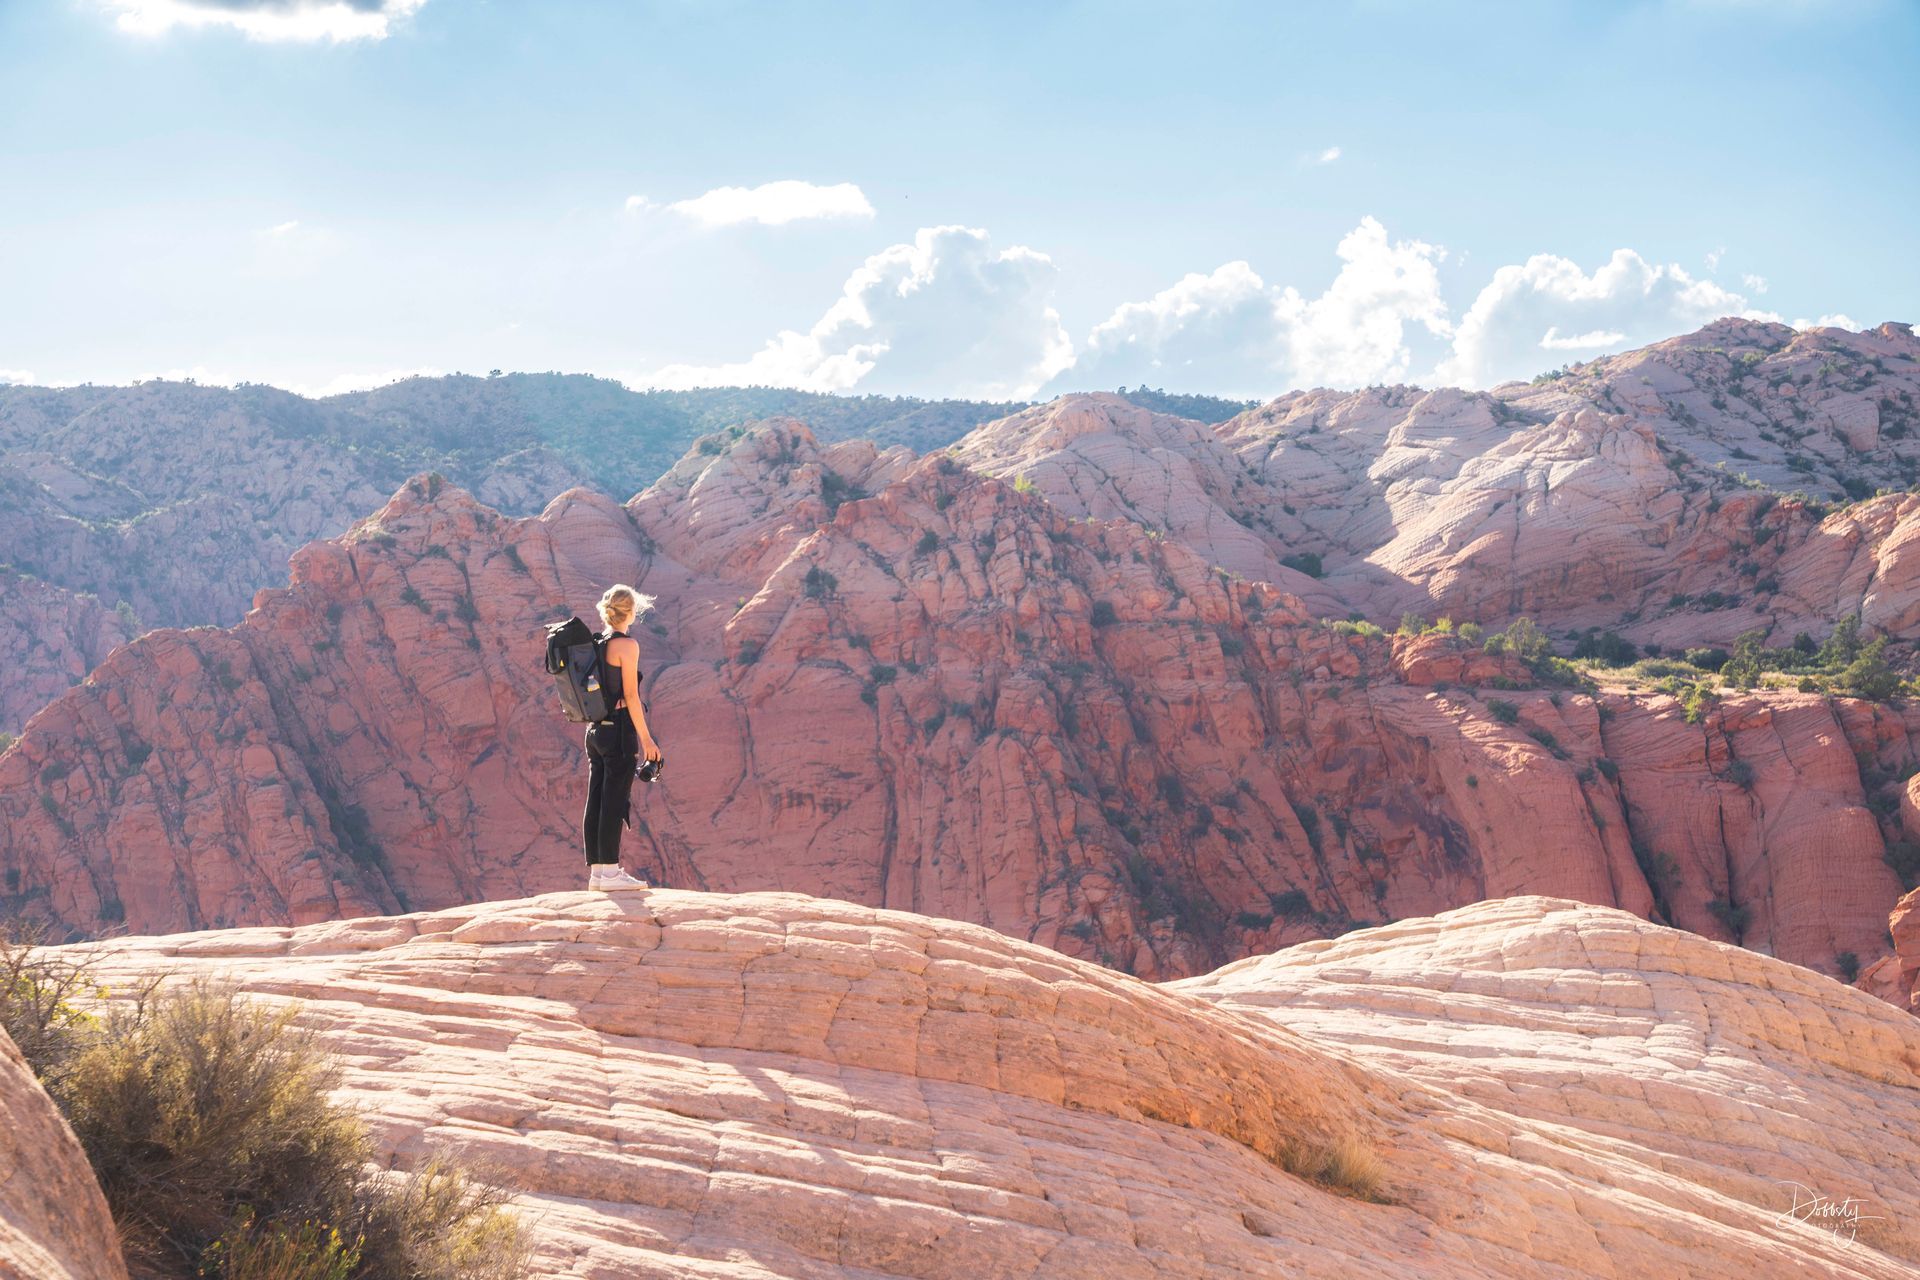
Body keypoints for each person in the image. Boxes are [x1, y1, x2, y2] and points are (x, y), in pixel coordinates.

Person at [583, 584, 662, 891]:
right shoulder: (626, 645)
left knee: (598, 798)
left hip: (594, 731)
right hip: (617, 731)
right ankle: (612, 873)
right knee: (614, 800)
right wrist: (647, 740)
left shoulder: (596, 641)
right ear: (630, 612)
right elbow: (630, 695)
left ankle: (599, 874)